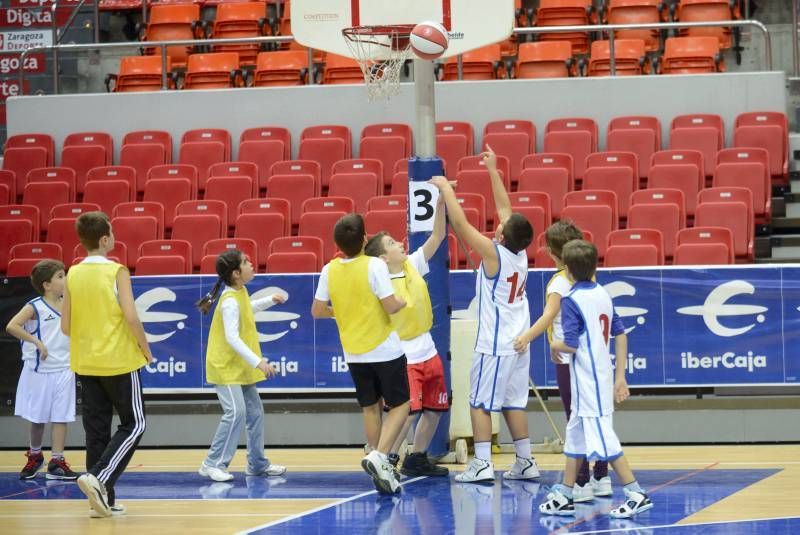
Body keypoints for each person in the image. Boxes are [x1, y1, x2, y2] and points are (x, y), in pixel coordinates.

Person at [430, 146, 539, 484]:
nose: (498, 224)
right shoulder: (519, 254)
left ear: (503, 237)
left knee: (478, 402)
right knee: (513, 403)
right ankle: (525, 462)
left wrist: (446, 190)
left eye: (501, 227)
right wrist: (493, 169)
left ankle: (481, 464)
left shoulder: (495, 256)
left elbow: (461, 227)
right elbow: (505, 208)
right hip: (518, 342)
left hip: (496, 345)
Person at [540, 240, 653, 519]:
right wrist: (621, 377)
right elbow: (621, 334)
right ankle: (566, 494)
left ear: (566, 269)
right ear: (595, 265)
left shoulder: (570, 300)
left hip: (588, 382)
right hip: (599, 376)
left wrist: (554, 345)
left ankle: (636, 492)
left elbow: (570, 345)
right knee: (575, 438)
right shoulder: (603, 293)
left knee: (605, 441)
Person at [62, 211, 152, 518]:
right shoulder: (117, 271)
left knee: (96, 430)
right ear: (104, 239)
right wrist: (145, 347)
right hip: (118, 360)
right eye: (112, 232)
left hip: (85, 361)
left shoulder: (72, 273)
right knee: (135, 423)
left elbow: (65, 327)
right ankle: (99, 478)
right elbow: (130, 315)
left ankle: (103, 500)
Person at [513, 220, 611, 501]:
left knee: (575, 420)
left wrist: (526, 337)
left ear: (554, 253)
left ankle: (580, 482)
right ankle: (601, 476)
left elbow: (547, 317)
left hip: (568, 360)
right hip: (592, 358)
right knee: (595, 417)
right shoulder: (588, 277)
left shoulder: (558, 282)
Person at [311, 213, 409, 494]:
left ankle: (379, 465)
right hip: (384, 348)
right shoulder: (374, 265)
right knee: (401, 405)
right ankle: (380, 457)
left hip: (354, 352)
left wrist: (339, 313)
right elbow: (390, 306)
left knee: (370, 407)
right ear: (365, 240)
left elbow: (317, 311)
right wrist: (401, 302)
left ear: (337, 244)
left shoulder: (329, 270)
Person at [364, 194, 449, 477]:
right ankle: (386, 459)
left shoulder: (413, 263)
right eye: (391, 244)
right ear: (382, 258)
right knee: (405, 413)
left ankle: (416, 457)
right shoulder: (379, 282)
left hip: (428, 348)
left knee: (435, 409)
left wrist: (440, 204)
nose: (399, 243)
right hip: (403, 354)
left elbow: (437, 236)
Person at [196, 249, 288, 482]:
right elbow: (232, 337)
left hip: (238, 367)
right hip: (224, 367)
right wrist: (259, 362)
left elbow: (248, 308)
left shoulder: (240, 293)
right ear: (236, 273)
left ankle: (257, 464)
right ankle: (212, 463)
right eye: (246, 262)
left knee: (254, 412)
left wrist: (270, 300)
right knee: (235, 412)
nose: (252, 264)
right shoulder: (228, 302)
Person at [7, 259, 78, 481]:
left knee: (61, 417)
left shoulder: (70, 303)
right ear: (47, 284)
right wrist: (36, 342)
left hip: (65, 367)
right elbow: (12, 326)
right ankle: (35, 455)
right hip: (39, 370)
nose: (64, 279)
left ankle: (57, 461)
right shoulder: (34, 306)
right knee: (37, 418)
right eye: (60, 276)